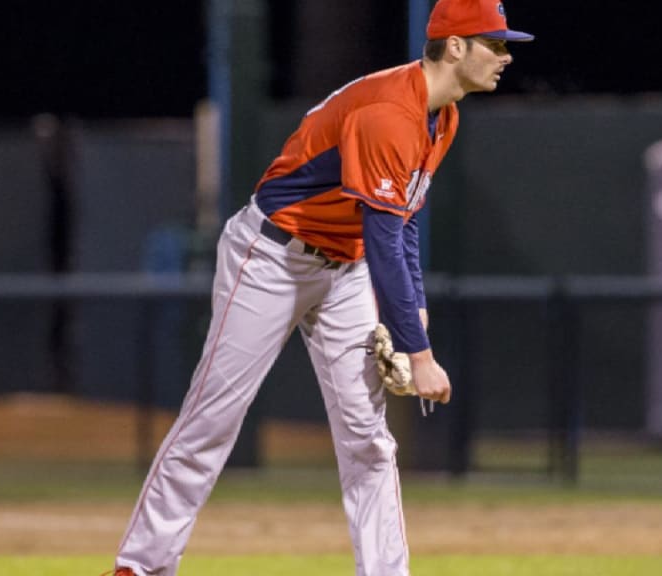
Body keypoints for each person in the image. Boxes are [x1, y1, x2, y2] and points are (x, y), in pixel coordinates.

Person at [109, 1, 532, 574]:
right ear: (455, 45)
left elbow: (401, 223)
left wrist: (417, 313)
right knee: (213, 418)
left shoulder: (443, 115)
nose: (505, 57)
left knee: (368, 438)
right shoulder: (390, 110)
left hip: (346, 266)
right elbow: (385, 237)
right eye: (496, 43)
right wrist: (420, 354)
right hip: (272, 257)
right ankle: (141, 565)